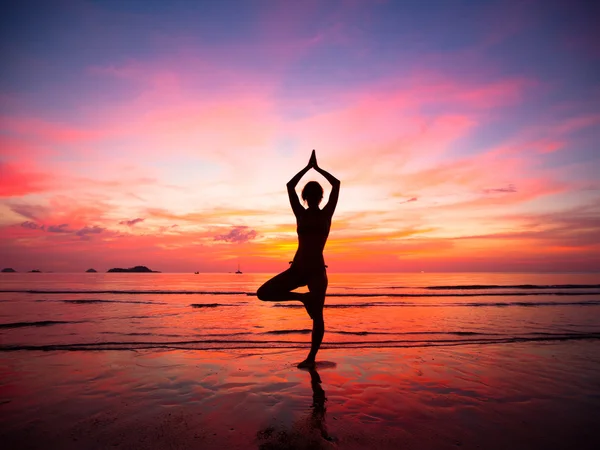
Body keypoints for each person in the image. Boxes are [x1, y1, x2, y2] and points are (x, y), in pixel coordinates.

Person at [257, 150, 340, 368]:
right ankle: (303, 299)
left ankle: (311, 358)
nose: (312, 198)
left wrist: (310, 168)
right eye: (311, 195)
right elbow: (334, 184)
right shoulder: (307, 213)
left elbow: (291, 186)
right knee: (263, 293)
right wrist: (315, 168)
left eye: (313, 195)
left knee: (318, 317)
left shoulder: (321, 214)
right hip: (302, 269)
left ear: (315, 197)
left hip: (312, 270)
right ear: (313, 197)